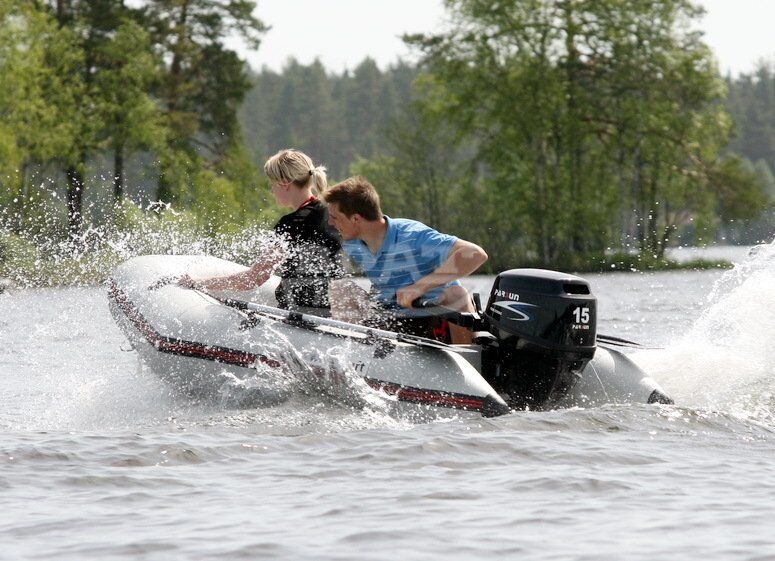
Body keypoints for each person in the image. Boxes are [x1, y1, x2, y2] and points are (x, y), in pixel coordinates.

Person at [322, 176, 487, 343]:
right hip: (394, 320)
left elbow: (475, 254)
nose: (330, 222)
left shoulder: (413, 235)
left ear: (356, 219)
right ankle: (355, 356)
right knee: (340, 289)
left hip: (433, 317)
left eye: (335, 217)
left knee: (456, 294)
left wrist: (418, 288)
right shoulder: (353, 244)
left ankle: (466, 360)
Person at [182, 149, 343, 311]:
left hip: (299, 315)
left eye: (271, 183)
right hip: (332, 311)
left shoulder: (291, 223)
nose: (271, 190)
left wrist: (197, 283)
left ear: (284, 183)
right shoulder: (333, 212)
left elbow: (254, 278)